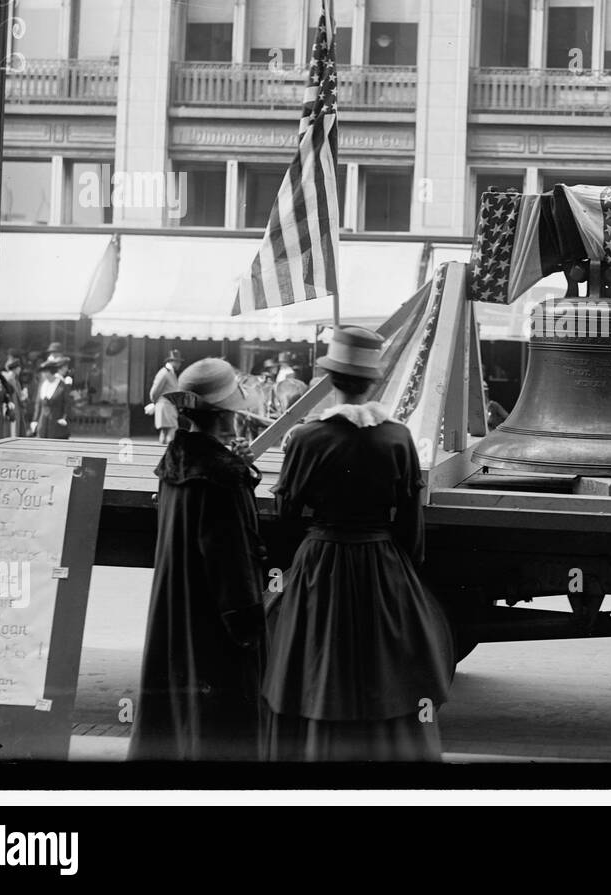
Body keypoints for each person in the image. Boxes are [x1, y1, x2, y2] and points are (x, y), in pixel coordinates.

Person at [262, 326, 454, 762]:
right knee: (386, 671)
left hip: (320, 560)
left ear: (331, 380)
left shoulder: (306, 438)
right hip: (381, 562)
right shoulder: (397, 437)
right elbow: (410, 519)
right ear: (374, 382)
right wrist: (403, 572)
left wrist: (294, 565)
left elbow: (286, 516)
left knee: (314, 668)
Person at [129, 358, 267, 761]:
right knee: (221, 725)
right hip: (214, 619)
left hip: (177, 610)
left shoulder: (175, 461)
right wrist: (249, 627)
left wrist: (240, 466)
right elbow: (232, 563)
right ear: (228, 413)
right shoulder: (224, 475)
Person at [30, 354, 73, 439]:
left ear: (51, 372)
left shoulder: (62, 385)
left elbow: (67, 403)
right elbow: (38, 404)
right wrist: (35, 420)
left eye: (45, 372)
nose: (44, 374)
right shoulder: (43, 384)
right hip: (43, 422)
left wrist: (65, 418)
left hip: (56, 423)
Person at [147, 350, 183, 444]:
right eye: (178, 361)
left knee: (165, 431)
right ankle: (169, 454)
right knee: (172, 429)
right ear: (172, 361)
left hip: (167, 406)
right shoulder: (164, 373)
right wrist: (155, 402)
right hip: (166, 405)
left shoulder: (170, 373)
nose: (179, 364)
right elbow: (154, 391)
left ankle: (162, 455)